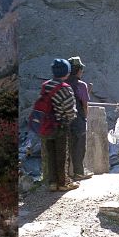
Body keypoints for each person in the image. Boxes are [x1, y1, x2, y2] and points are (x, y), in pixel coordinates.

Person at [41, 58, 78, 191]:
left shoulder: (46, 85)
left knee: (51, 154)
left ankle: (52, 183)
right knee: (62, 155)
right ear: (67, 73)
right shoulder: (65, 88)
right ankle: (63, 183)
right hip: (60, 125)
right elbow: (69, 109)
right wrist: (71, 117)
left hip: (46, 125)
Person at [66, 56, 92, 181]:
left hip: (64, 120)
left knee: (67, 146)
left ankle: (66, 174)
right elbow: (84, 105)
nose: (82, 72)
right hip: (78, 119)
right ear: (78, 70)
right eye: (81, 69)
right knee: (79, 146)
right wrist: (85, 118)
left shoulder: (63, 84)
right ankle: (79, 173)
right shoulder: (81, 85)